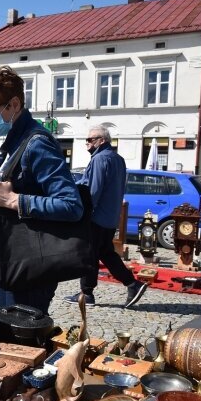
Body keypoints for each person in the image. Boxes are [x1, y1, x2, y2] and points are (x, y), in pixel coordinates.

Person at [0, 61, 83, 314]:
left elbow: (71, 205)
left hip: (31, 263)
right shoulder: (17, 140)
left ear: (14, 105)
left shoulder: (36, 143)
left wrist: (15, 200)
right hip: (15, 258)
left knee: (19, 335)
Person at [64, 125, 148, 308]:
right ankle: (133, 284)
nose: (87, 143)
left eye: (90, 139)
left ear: (102, 141)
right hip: (110, 217)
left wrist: (82, 213)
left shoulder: (100, 159)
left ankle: (87, 293)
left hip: (96, 217)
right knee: (106, 253)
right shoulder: (118, 159)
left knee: (88, 254)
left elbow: (93, 191)